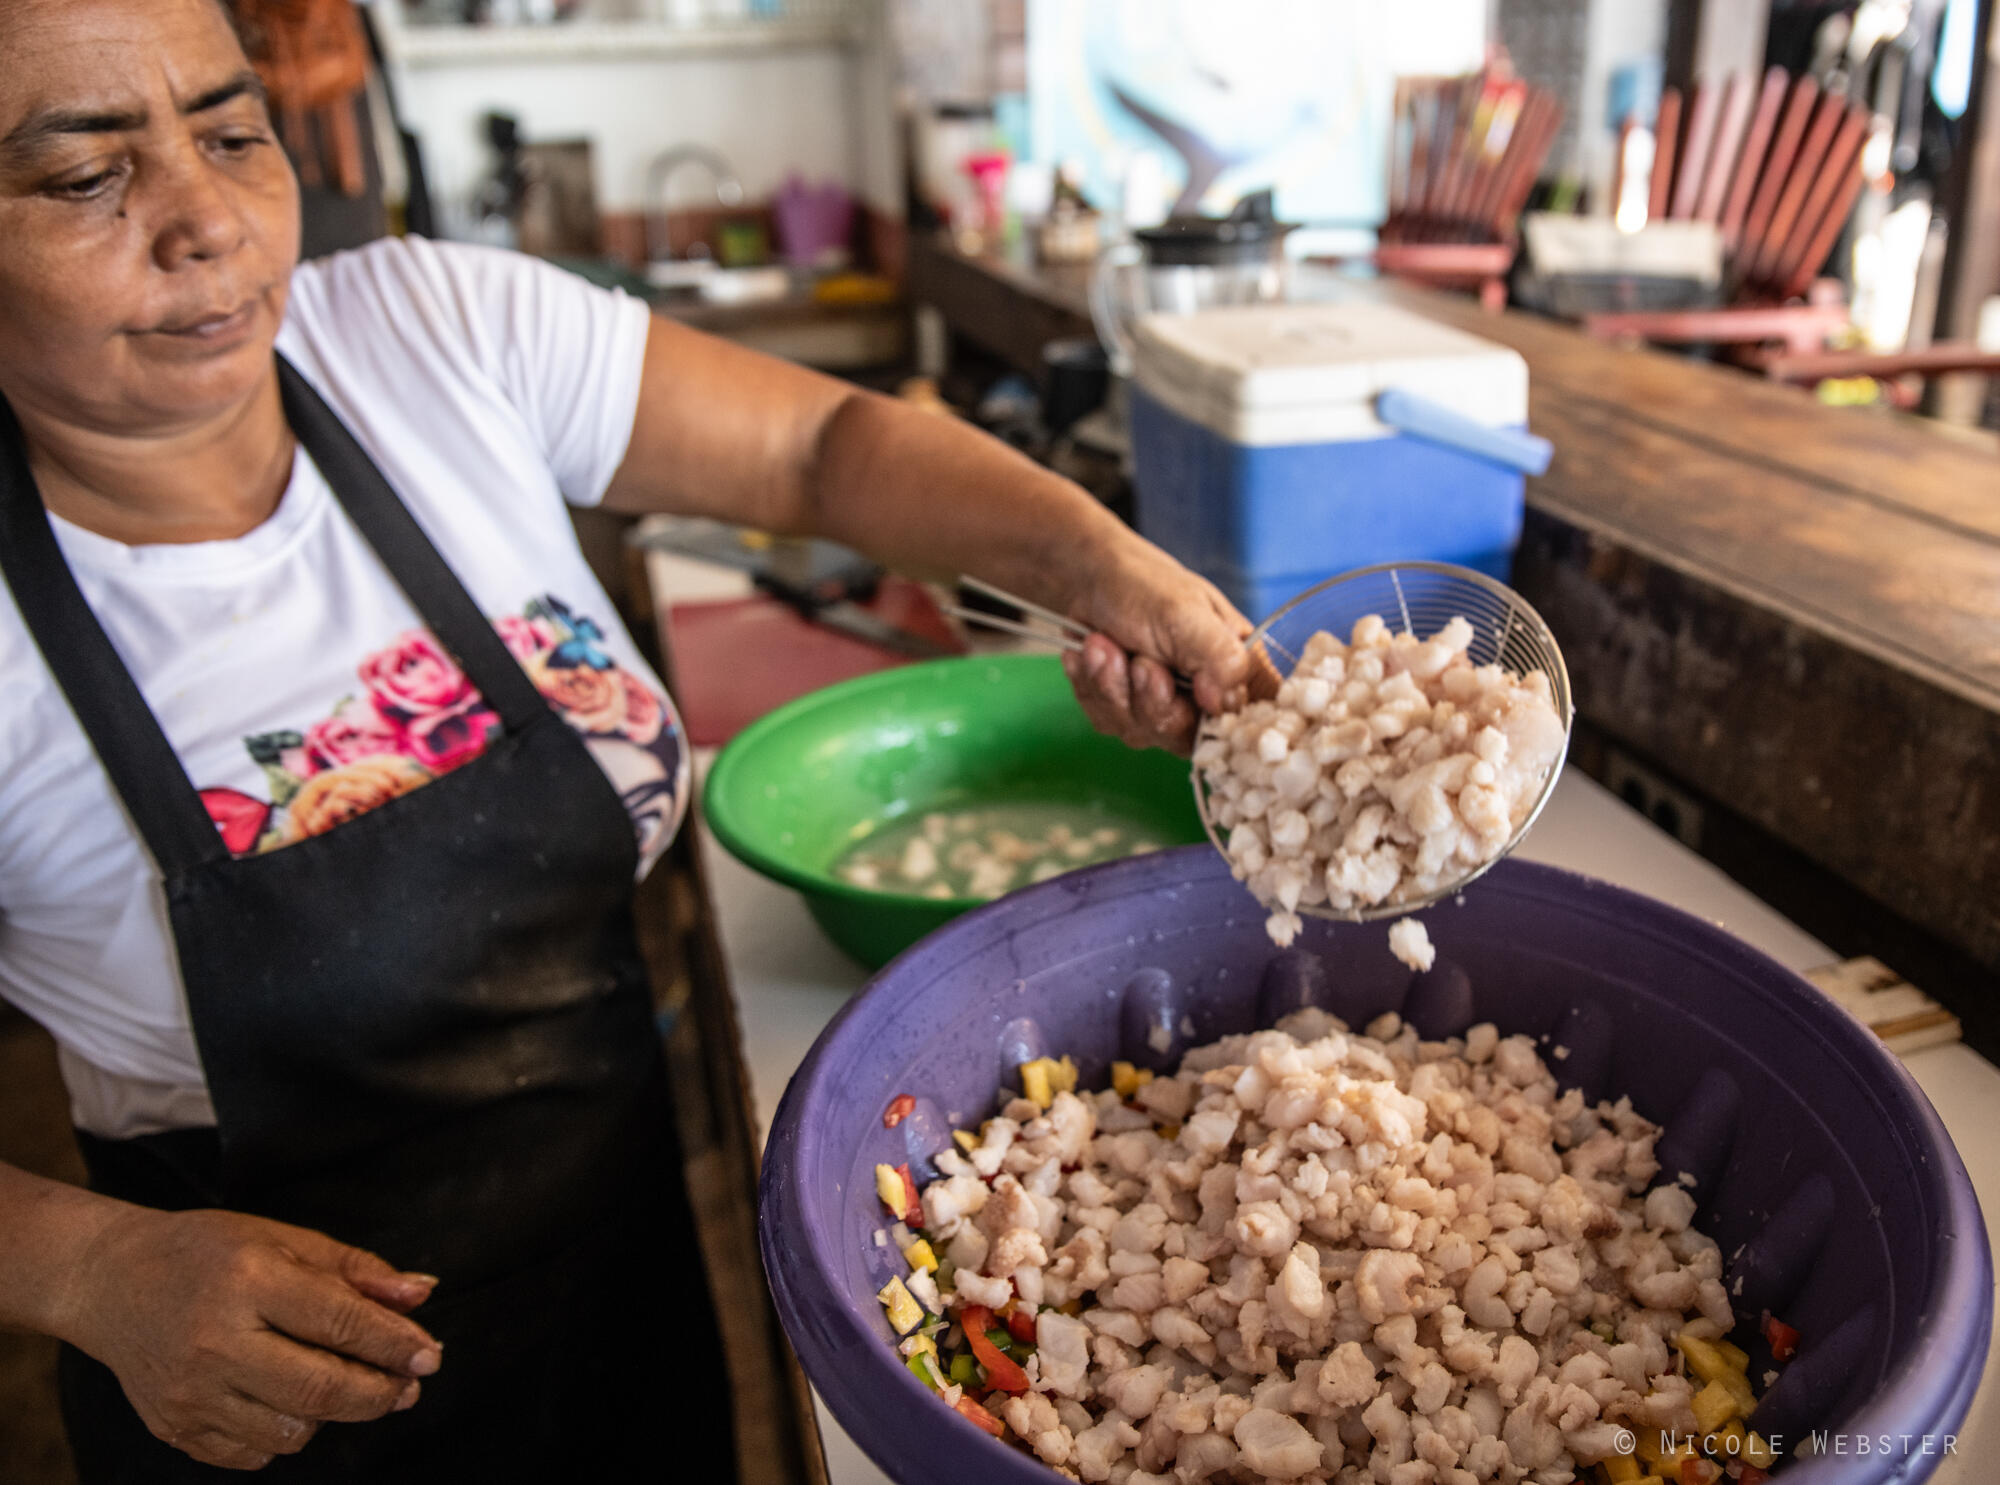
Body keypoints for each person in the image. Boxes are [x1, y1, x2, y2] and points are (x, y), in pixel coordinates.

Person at [0, 0, 1255, 1478]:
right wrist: (89, 1271)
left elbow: (817, 447)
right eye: (85, 179)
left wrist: (1112, 573)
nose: (205, 219)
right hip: (248, 1388)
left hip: (623, 1261)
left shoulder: (423, 330)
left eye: (230, 133)